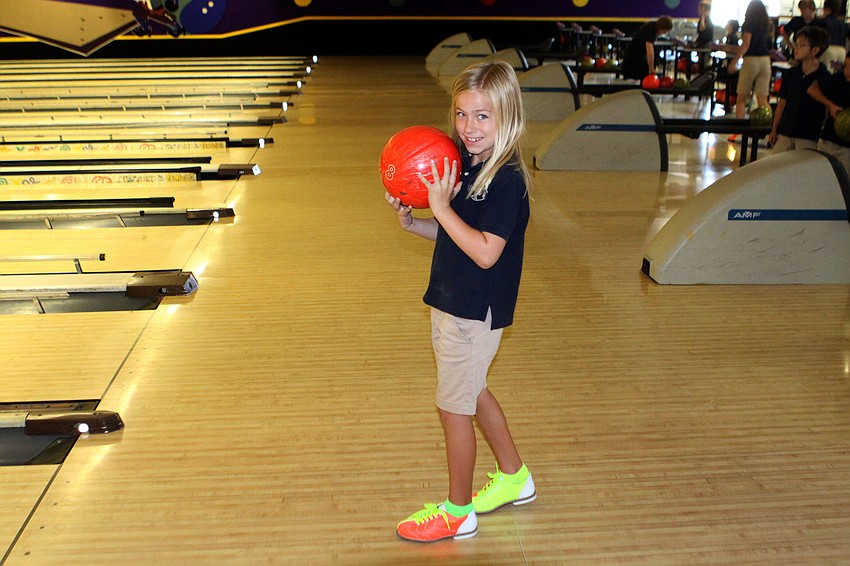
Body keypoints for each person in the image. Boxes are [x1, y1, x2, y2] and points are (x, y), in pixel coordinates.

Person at [386, 60, 535, 543]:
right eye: (461, 115)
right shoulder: (468, 164)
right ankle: (514, 476)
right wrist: (418, 223)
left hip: (474, 311)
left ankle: (458, 511)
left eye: (482, 117)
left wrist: (443, 208)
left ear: (507, 117)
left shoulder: (506, 180)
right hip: (454, 303)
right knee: (473, 391)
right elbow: (457, 238)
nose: (468, 128)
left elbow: (487, 252)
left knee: (454, 408)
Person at [770, 25, 831, 152]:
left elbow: (826, 110)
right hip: (786, 131)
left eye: (801, 45)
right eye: (796, 44)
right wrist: (775, 128)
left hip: (808, 135)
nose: (796, 48)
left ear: (815, 50)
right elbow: (783, 102)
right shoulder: (792, 73)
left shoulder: (824, 78)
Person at [728, 1, 774, 120]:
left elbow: (746, 45)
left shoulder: (749, 24)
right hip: (765, 61)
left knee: (742, 97)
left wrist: (734, 62)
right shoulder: (767, 25)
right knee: (762, 99)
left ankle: (739, 130)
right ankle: (769, 127)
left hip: (751, 61)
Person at [808, 52, 850, 172]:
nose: (847, 71)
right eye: (846, 66)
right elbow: (812, 89)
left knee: (843, 183)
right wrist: (830, 105)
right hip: (828, 140)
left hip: (847, 149)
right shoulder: (838, 79)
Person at [621, 16, 674, 81]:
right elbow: (650, 52)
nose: (665, 33)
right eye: (664, 31)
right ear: (662, 27)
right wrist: (651, 69)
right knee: (645, 76)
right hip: (634, 58)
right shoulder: (650, 30)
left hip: (636, 55)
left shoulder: (652, 26)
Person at [819, 0, 850, 73]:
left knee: (828, 72)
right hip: (842, 50)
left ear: (827, 9)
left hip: (828, 49)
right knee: (839, 73)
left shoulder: (823, 22)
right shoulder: (843, 24)